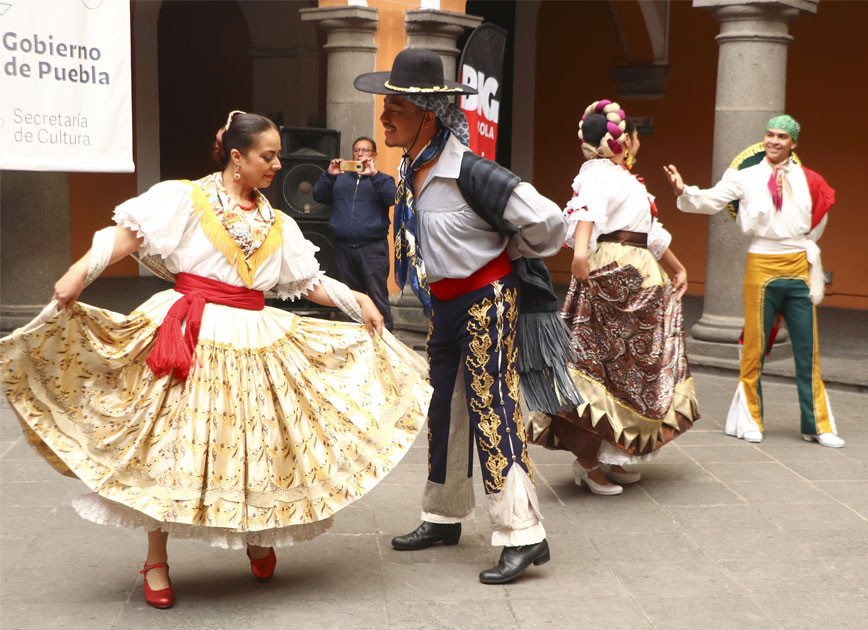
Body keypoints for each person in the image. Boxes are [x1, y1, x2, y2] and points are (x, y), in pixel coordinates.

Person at [0, 111, 432, 609]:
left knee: (260, 439)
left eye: (277, 156)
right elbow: (126, 236)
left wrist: (358, 300)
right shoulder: (187, 198)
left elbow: (305, 280)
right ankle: (156, 559)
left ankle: (258, 532)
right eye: (267, 156)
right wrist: (80, 273)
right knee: (167, 444)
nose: (276, 165)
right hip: (189, 330)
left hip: (254, 336)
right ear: (236, 157)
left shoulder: (278, 222)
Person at [354, 48, 569, 584]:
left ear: (430, 114)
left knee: (493, 408)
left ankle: (524, 534)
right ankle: (443, 514)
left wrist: (512, 253)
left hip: (487, 299)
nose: (385, 116)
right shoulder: (413, 167)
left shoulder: (474, 172)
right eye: (386, 104)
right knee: (444, 407)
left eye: (396, 106)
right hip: (444, 305)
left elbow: (548, 221)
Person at [529, 100, 700, 495]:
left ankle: (611, 451)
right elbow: (586, 214)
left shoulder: (627, 179)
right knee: (599, 367)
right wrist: (582, 254)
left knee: (628, 372)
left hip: (639, 274)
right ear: (622, 140)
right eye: (633, 136)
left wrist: (677, 267)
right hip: (616, 274)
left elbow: (652, 233)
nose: (636, 142)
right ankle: (588, 461)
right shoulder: (598, 173)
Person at [664, 114, 843, 447]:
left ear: (793, 143)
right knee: (755, 347)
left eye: (782, 137)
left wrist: (802, 247)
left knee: (808, 349)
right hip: (761, 262)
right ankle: (750, 418)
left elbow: (819, 218)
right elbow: (710, 200)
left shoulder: (809, 179)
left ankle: (817, 424)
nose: (774, 141)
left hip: (798, 266)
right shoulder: (743, 177)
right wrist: (683, 190)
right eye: (770, 134)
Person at [313, 136, 397, 330]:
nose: (360, 154)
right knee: (351, 297)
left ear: (374, 155)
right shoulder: (340, 179)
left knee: (377, 296)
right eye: (357, 150)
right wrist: (329, 175)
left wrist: (373, 175)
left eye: (365, 150)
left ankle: (386, 344)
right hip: (343, 247)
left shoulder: (382, 179)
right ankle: (357, 340)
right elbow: (319, 195)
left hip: (372, 249)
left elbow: (391, 197)